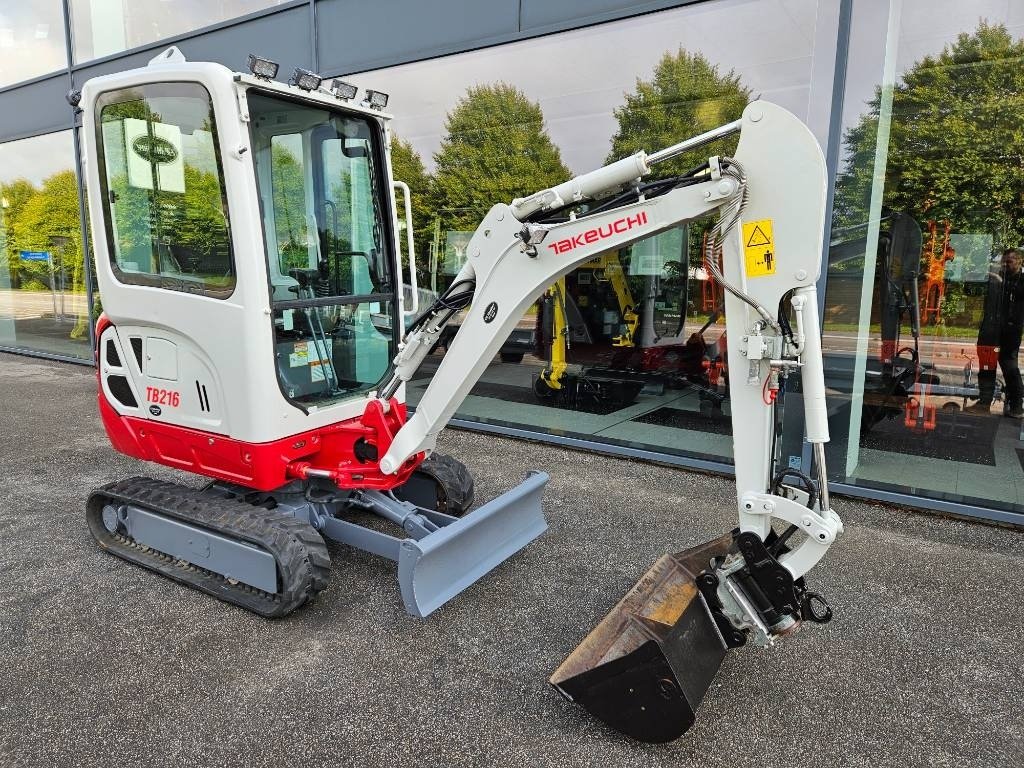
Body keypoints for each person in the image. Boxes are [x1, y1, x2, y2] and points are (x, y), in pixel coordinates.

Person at [973, 247, 1024, 417]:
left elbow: (1018, 294)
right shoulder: (997, 278)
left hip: (1010, 330)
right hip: (991, 328)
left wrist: (1001, 282)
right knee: (987, 364)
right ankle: (984, 401)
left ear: (1019, 261)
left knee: (1009, 366)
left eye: (1009, 262)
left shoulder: (1020, 280)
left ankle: (1017, 405)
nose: (1005, 265)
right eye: (1003, 261)